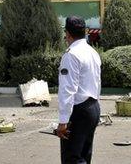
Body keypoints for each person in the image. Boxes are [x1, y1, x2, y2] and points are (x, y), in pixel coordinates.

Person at [56, 16, 101, 164]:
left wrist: (63, 121)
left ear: (67, 34)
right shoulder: (92, 52)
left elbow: (67, 89)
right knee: (84, 155)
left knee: (72, 158)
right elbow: (97, 82)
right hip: (93, 107)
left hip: (79, 111)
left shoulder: (71, 55)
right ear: (85, 32)